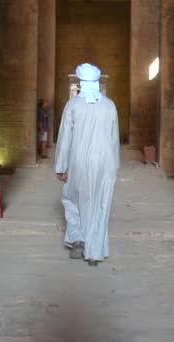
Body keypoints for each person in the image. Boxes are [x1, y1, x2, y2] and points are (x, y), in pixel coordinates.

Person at [55, 63, 120, 267]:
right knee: (101, 204)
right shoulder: (109, 105)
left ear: (81, 82)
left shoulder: (73, 105)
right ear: (98, 82)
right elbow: (114, 138)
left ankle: (78, 238)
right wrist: (114, 165)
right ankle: (95, 253)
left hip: (79, 161)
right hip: (105, 162)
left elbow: (65, 138)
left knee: (71, 199)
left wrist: (61, 167)